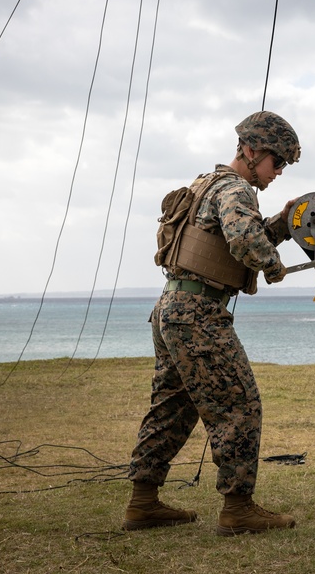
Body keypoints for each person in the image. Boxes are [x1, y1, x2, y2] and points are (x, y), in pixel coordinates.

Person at [122, 110, 302, 535]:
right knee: (239, 406)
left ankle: (143, 503)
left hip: (172, 307)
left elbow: (222, 239)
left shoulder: (208, 183)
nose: (278, 172)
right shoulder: (237, 189)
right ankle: (238, 509)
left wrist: (283, 222)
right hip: (199, 315)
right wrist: (272, 265)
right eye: (277, 162)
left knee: (172, 407)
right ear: (252, 151)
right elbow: (243, 239)